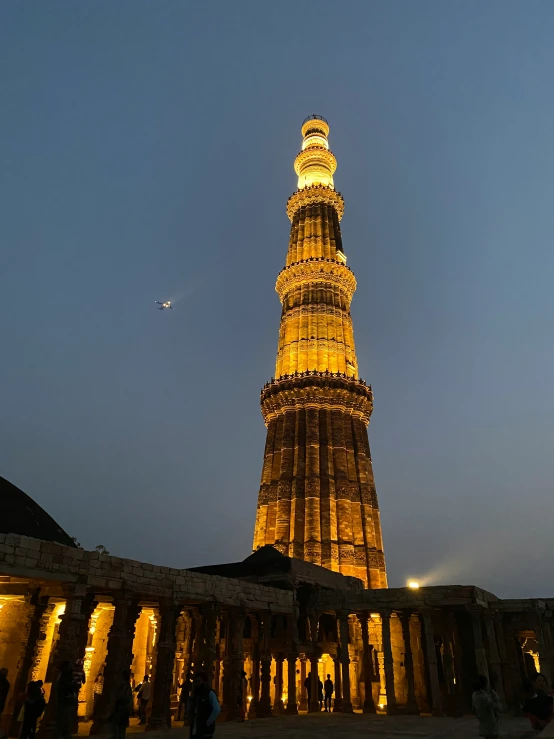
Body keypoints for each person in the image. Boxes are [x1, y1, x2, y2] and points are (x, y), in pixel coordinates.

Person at [186, 672, 220, 739]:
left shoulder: (209, 693)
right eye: (195, 681)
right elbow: (190, 707)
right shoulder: (195, 694)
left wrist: (208, 722)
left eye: (198, 681)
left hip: (205, 726)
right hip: (195, 725)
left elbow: (216, 709)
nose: (196, 683)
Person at [56, 661, 79, 739]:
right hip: (66, 700)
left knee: (64, 720)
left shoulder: (62, 676)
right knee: (65, 720)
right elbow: (71, 686)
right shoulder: (65, 677)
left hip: (65, 700)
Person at [110, 670, 133, 739]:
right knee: (121, 729)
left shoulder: (124, 685)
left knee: (119, 728)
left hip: (121, 708)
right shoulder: (127, 685)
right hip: (124, 709)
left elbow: (121, 696)